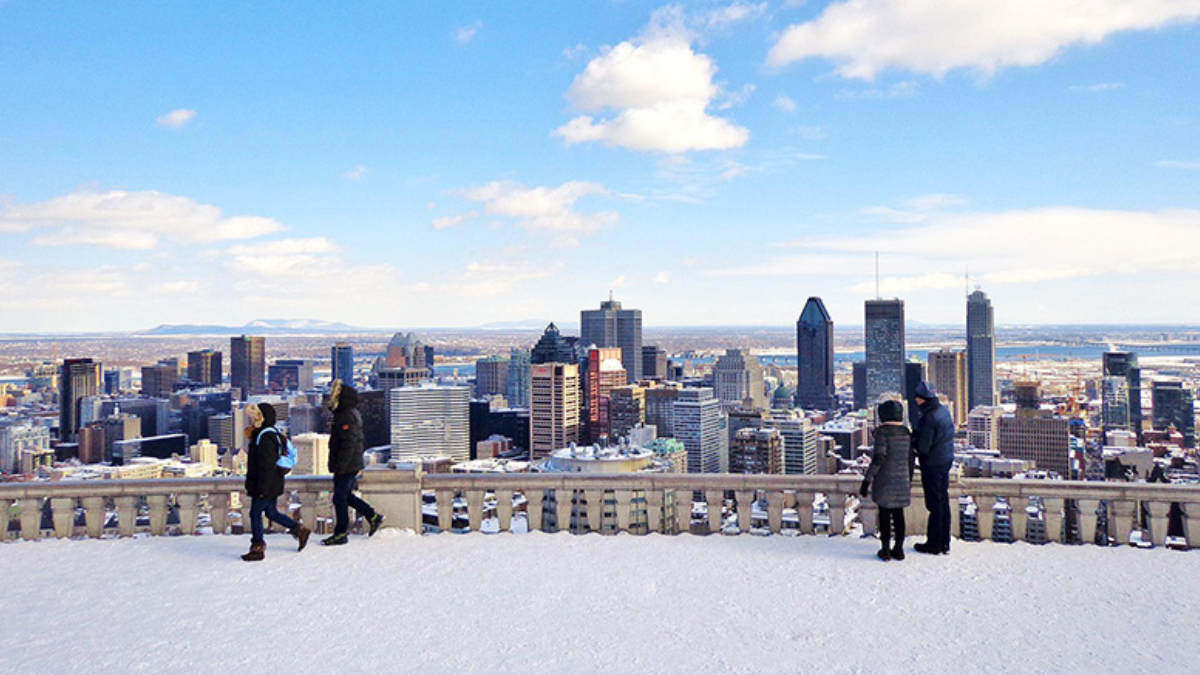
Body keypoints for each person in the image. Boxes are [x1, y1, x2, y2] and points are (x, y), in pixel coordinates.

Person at [242, 403, 310, 561]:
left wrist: (261, 488)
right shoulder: (273, 433)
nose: (252, 420)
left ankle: (258, 547)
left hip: (264, 483)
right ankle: (299, 529)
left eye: (255, 417)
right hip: (273, 482)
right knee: (271, 512)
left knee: (255, 514)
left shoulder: (264, 437)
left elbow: (266, 464)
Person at [323, 380, 384, 546]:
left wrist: (341, 465)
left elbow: (348, 442)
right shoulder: (349, 412)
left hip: (347, 464)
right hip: (350, 462)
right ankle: (372, 516)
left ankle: (341, 533)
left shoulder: (345, 414)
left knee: (339, 498)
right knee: (345, 496)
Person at [860, 399, 913, 562]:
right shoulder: (906, 433)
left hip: (885, 479)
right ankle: (899, 549)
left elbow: (878, 459)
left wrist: (867, 480)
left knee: (884, 515)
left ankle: (885, 549)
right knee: (899, 515)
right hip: (903, 479)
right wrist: (908, 478)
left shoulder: (882, 433)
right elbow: (911, 458)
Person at [911, 382, 955, 555]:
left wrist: (913, 440)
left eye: (918, 398)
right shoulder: (943, 410)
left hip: (933, 464)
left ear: (923, 399)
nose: (916, 400)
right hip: (945, 459)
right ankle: (944, 542)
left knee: (934, 504)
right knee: (943, 501)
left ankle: (934, 544)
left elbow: (923, 447)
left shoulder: (929, 417)